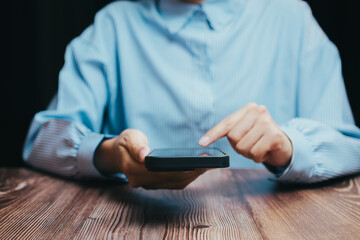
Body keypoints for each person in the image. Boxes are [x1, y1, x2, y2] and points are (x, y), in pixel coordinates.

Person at [23, 0, 360, 189]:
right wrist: (112, 155)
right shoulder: (113, 25)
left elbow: (350, 146)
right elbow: (41, 141)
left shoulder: (293, 20)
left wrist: (288, 146)